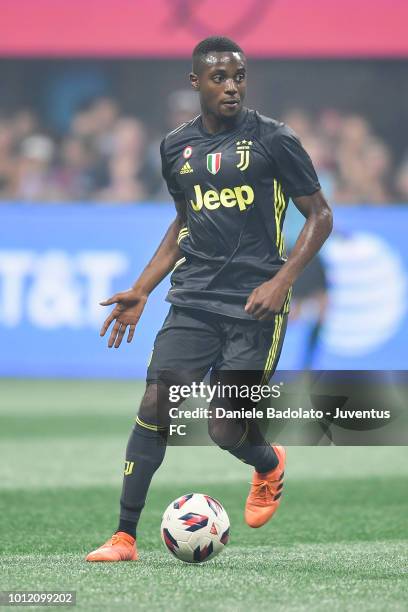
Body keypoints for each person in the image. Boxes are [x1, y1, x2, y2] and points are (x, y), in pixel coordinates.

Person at [86, 36, 333, 562]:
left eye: (239, 77)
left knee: (224, 427)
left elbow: (321, 214)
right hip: (193, 298)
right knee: (155, 405)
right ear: (195, 82)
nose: (231, 87)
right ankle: (124, 537)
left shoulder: (274, 139)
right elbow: (184, 222)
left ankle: (267, 464)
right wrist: (143, 288)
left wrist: (282, 281)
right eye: (219, 78)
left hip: (254, 306)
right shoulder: (175, 146)